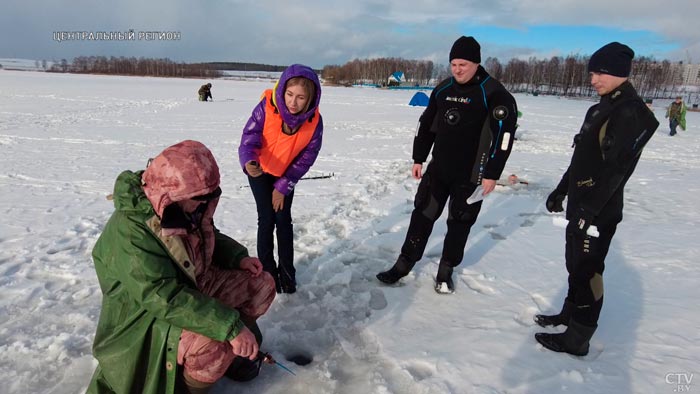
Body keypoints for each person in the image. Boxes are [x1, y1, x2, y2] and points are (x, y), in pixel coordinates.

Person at [87, 140, 276, 394]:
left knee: (260, 286)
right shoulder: (131, 231)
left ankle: (229, 356)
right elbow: (164, 297)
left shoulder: (184, 207)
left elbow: (209, 235)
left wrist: (237, 257)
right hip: (148, 317)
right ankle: (187, 386)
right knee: (215, 342)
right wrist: (229, 327)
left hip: (194, 285)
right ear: (171, 191)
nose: (203, 205)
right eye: (198, 199)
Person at [535, 42, 659, 356]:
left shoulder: (629, 111)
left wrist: (590, 209)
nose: (594, 79)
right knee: (574, 263)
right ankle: (569, 314)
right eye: (592, 71)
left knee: (588, 271)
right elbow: (582, 159)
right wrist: (561, 190)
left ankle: (578, 338)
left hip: (598, 210)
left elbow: (619, 170)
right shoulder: (600, 108)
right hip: (580, 204)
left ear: (620, 73)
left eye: (601, 72)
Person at [376, 36, 518, 294]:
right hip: (439, 169)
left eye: (463, 64)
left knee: (460, 223)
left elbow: (503, 139)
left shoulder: (494, 93)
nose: (457, 70)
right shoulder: (443, 89)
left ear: (476, 63)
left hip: (472, 175)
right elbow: (426, 125)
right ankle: (404, 263)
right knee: (422, 214)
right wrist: (418, 157)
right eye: (453, 64)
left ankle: (446, 269)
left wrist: (492, 174)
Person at [238, 64, 323, 294]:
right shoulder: (266, 108)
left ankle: (287, 275)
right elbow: (249, 138)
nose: (293, 102)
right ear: (282, 91)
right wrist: (249, 161)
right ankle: (268, 275)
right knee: (266, 219)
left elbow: (307, 157)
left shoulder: (314, 123)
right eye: (289, 94)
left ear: (310, 100)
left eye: (301, 98)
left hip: (286, 175)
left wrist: (284, 186)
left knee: (283, 221)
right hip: (260, 172)